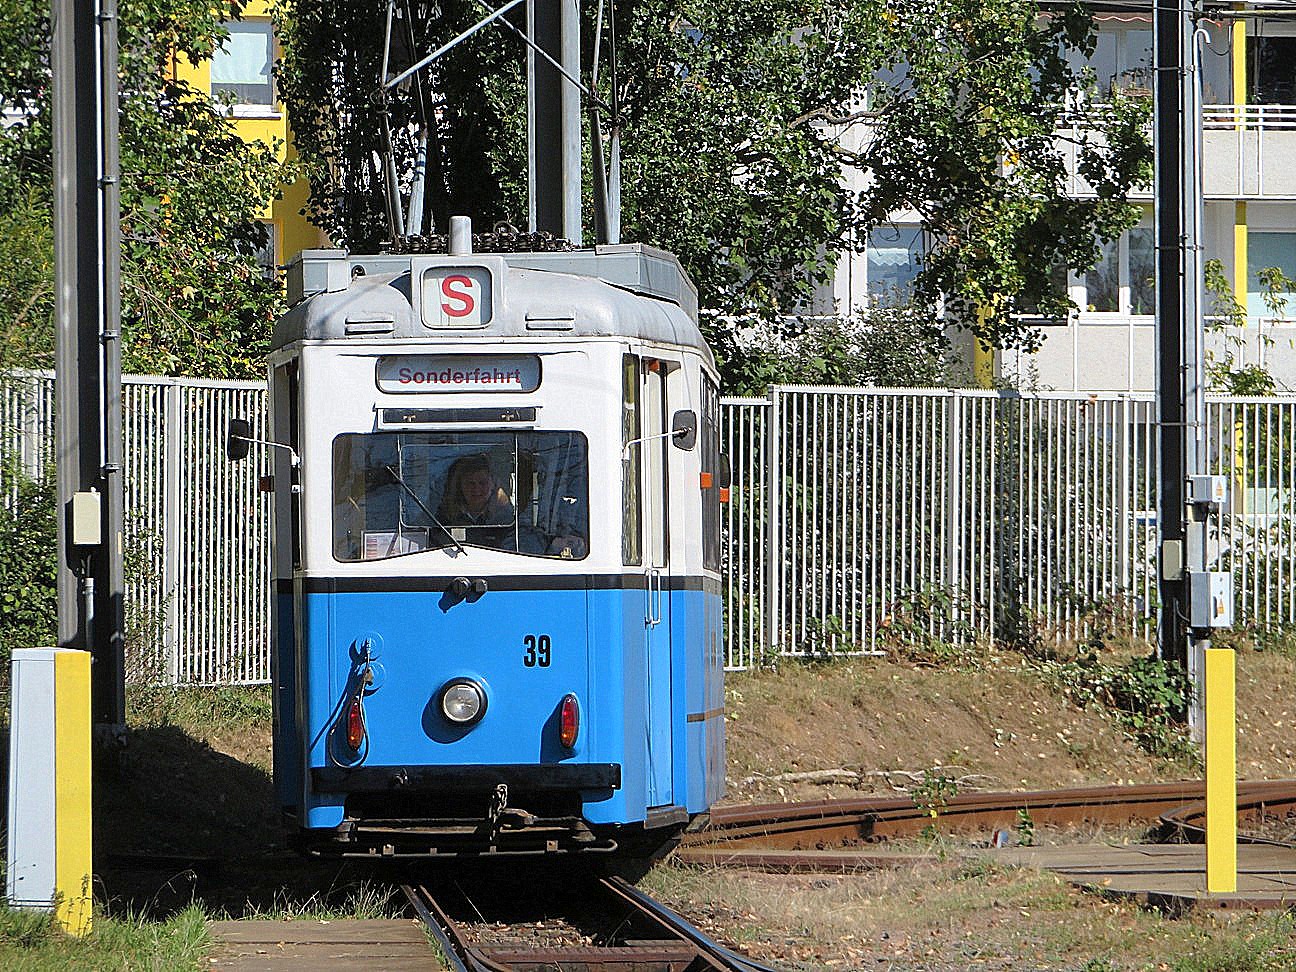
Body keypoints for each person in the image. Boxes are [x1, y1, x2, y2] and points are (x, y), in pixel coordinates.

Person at [437, 454, 515, 529]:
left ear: (493, 484)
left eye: (482, 483)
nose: (476, 489)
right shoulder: (445, 515)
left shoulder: (506, 516)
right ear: (460, 485)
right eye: (470, 483)